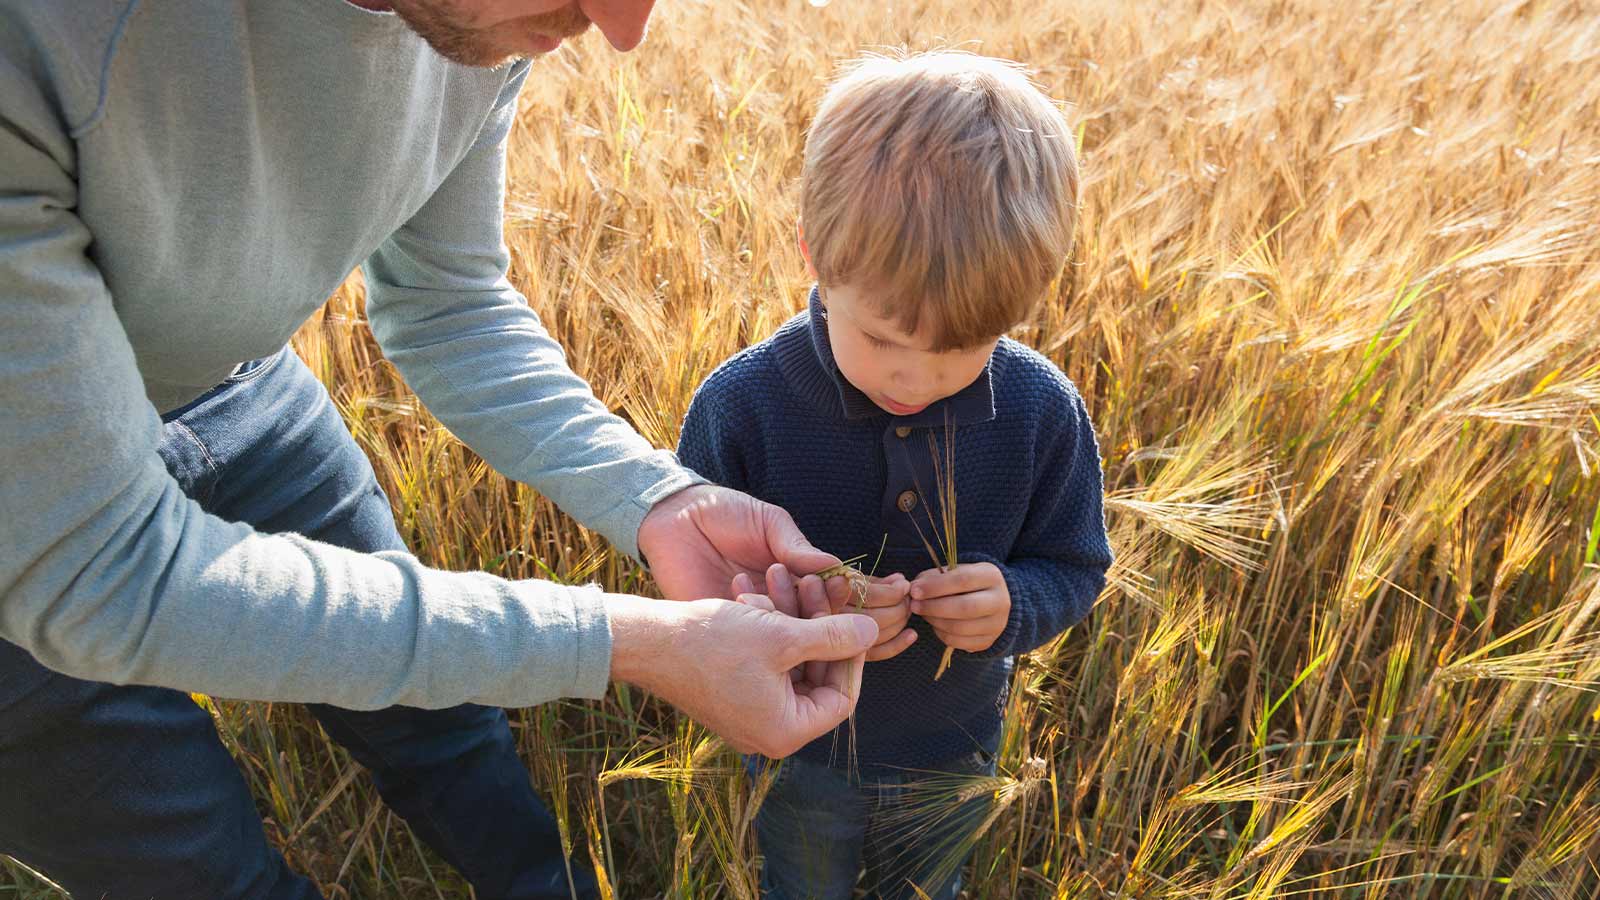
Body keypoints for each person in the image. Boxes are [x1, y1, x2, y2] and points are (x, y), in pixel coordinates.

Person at [0, 2, 903, 897]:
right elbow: (95, 567)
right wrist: (631, 644)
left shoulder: (482, 24)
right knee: (201, 872)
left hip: (242, 391)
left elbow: (447, 303)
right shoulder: (40, 41)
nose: (623, 28)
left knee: (441, 725)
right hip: (32, 534)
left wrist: (657, 500)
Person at [677, 51, 1115, 899]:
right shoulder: (743, 406)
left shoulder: (1040, 411)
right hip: (799, 749)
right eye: (880, 340)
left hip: (953, 746)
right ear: (814, 254)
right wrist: (798, 621)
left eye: (958, 350)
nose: (912, 380)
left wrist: (1014, 604)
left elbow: (1075, 566)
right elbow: (696, 593)